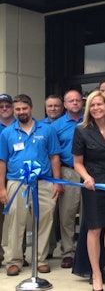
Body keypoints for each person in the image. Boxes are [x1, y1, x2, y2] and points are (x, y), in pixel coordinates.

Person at [0, 94, 62, 276]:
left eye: (24, 108)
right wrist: (2, 188)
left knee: (43, 220)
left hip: (43, 183)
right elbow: (2, 161)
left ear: (31, 108)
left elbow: (54, 157)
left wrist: (57, 182)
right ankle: (14, 261)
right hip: (16, 183)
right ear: (14, 110)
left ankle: (40, 259)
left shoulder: (47, 130)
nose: (21, 112)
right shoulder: (7, 133)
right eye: (17, 109)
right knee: (15, 222)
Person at [72, 91, 105, 291]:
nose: (96, 108)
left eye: (100, 104)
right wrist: (86, 177)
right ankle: (96, 273)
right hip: (93, 185)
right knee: (94, 229)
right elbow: (77, 162)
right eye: (92, 105)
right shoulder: (81, 130)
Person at [51, 89, 84, 268]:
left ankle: (86, 250)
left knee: (89, 213)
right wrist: (57, 179)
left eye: (78, 100)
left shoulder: (90, 119)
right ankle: (68, 252)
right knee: (67, 214)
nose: (75, 103)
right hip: (68, 171)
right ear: (65, 104)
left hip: (89, 170)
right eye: (71, 101)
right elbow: (54, 154)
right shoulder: (56, 126)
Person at [0, 93, 15, 268]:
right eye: (1, 106)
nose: (4, 108)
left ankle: (17, 255)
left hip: (15, 178)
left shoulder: (24, 125)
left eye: (7, 105)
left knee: (15, 219)